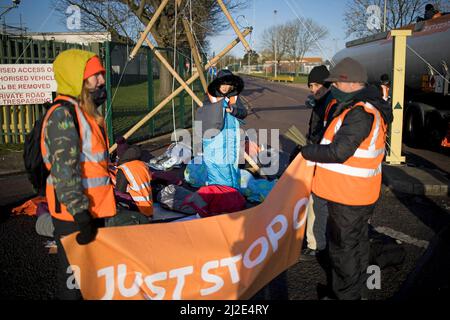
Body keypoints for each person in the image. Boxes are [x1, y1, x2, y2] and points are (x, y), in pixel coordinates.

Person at [300, 57, 393, 300]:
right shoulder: (364, 108)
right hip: (357, 195)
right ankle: (359, 291)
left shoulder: (360, 113)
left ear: (351, 83)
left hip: (348, 197)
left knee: (343, 252)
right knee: (356, 246)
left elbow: (339, 152)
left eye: (337, 85)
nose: (333, 90)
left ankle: (345, 295)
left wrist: (306, 152)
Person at [301, 65, 337, 261]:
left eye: (317, 85)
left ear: (327, 84)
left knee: (317, 203)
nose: (313, 90)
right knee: (320, 203)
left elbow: (325, 135)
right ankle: (319, 241)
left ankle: (316, 244)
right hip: (320, 155)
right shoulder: (321, 102)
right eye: (311, 86)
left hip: (322, 158)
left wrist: (310, 150)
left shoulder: (329, 104)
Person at [196, 69, 247, 190]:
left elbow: (243, 112)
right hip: (215, 140)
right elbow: (204, 116)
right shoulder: (210, 97)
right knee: (217, 166)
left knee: (231, 166)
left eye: (228, 85)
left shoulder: (234, 98)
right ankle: (219, 191)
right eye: (223, 84)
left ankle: (230, 191)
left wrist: (232, 110)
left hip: (231, 141)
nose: (225, 87)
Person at [116, 145, 154, 217]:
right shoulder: (143, 165)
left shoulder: (123, 169)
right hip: (149, 207)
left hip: (137, 208)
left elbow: (120, 191)